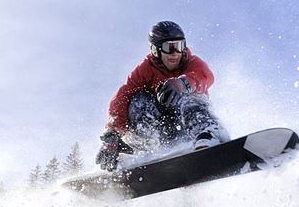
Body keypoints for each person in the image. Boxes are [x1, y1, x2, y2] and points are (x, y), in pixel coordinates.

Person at [96, 20, 229, 172]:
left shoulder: (192, 62)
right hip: (160, 133)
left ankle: (209, 134)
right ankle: (147, 154)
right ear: (155, 50)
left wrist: (184, 83)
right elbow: (121, 98)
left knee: (188, 96)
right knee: (138, 101)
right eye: (168, 47)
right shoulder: (145, 70)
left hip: (187, 125)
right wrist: (113, 134)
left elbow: (206, 76)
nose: (174, 53)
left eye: (179, 46)